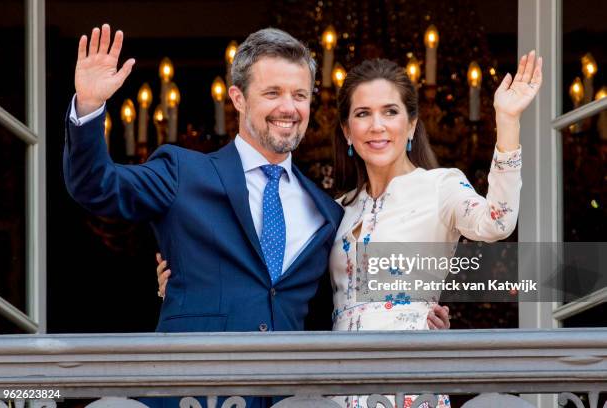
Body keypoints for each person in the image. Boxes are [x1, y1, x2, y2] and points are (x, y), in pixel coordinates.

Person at [64, 24, 451, 408]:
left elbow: (341, 305)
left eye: (300, 95)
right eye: (272, 93)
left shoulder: (330, 212)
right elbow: (96, 186)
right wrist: (89, 107)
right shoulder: (182, 172)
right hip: (191, 397)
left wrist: (420, 314)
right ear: (238, 98)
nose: (289, 107)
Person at [157, 54, 542, 408]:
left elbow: (498, 221)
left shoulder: (440, 186)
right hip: (336, 387)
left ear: (411, 125)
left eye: (390, 112)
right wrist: (190, 279)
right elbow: (277, 279)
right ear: (346, 131)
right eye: (363, 114)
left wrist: (507, 123)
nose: (377, 126)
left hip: (408, 383)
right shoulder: (335, 210)